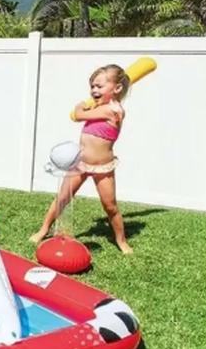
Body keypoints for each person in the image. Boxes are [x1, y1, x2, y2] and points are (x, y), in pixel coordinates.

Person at [29, 64, 133, 254]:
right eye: (92, 86)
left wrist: (80, 105)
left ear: (117, 88)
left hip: (102, 167)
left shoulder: (112, 110)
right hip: (80, 163)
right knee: (62, 198)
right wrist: (90, 104)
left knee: (110, 206)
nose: (94, 90)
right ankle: (43, 230)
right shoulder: (99, 107)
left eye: (99, 86)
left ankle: (121, 240)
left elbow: (77, 115)